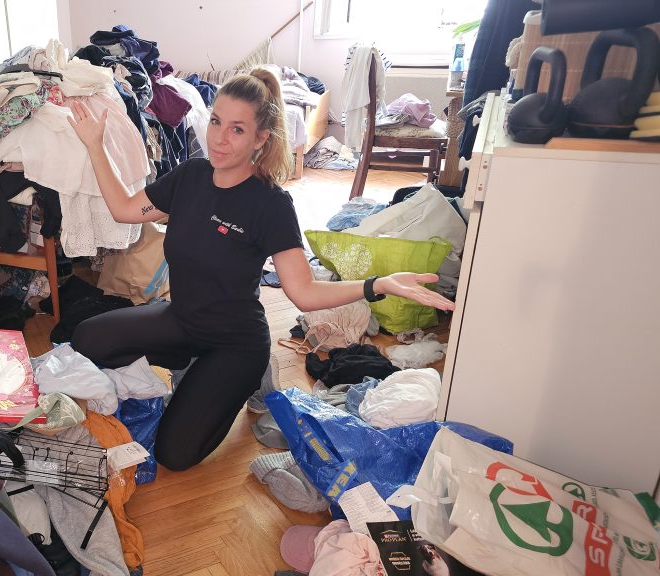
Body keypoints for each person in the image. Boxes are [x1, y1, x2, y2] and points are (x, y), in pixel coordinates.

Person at [67, 68, 454, 471]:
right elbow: (124, 209)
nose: (219, 138)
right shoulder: (190, 176)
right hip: (182, 320)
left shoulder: (270, 204)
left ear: (260, 138)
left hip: (235, 343)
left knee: (174, 455)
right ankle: (191, 367)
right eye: (216, 121)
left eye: (237, 129)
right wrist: (95, 145)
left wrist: (378, 285)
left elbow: (304, 292)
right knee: (87, 338)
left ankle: (245, 379)